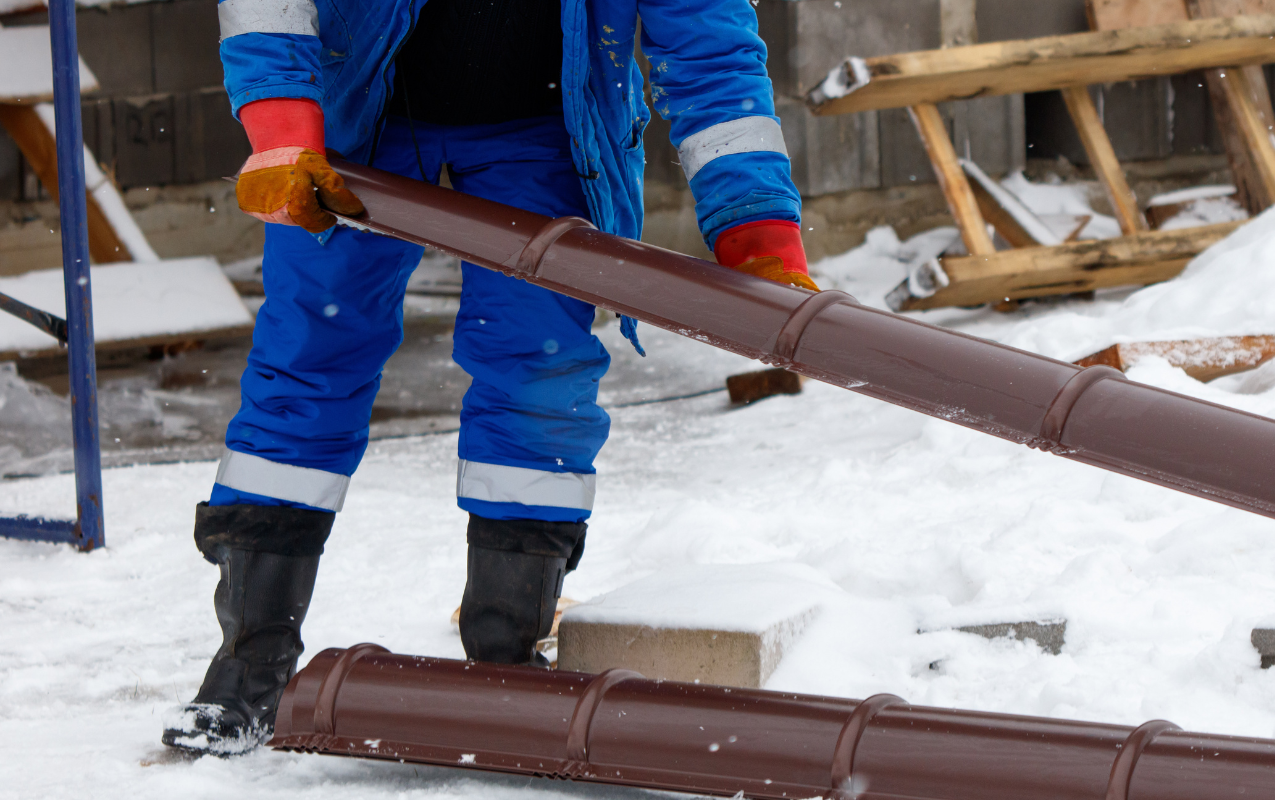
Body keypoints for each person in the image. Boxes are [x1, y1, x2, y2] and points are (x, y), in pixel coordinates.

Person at [162, 0, 814, 756]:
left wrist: (757, 229)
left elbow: (709, 50)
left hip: (544, 133)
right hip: (357, 119)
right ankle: (249, 665)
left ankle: (506, 667)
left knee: (538, 375)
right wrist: (282, 133)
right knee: (307, 361)